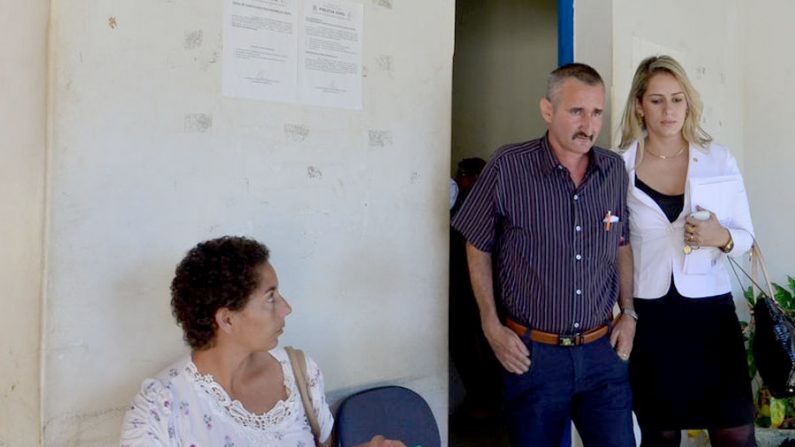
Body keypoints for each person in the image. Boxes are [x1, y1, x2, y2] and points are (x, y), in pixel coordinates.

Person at [452, 63, 636, 447]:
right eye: (576, 111)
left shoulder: (614, 170)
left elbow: (621, 243)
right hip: (534, 357)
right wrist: (490, 324)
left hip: (602, 353)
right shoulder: (509, 167)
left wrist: (629, 312)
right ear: (547, 110)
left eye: (597, 112)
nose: (589, 124)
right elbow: (477, 243)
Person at [119, 236, 405, 447]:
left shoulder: (300, 373)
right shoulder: (160, 408)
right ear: (227, 320)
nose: (286, 308)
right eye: (270, 298)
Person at [617, 55, 756, 447]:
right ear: (639, 105)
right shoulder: (619, 166)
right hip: (653, 317)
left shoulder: (717, 160)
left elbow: (746, 237)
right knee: (659, 436)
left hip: (710, 315)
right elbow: (615, 246)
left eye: (677, 99)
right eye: (657, 100)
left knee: (735, 433)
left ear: (688, 103)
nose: (668, 110)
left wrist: (721, 236)